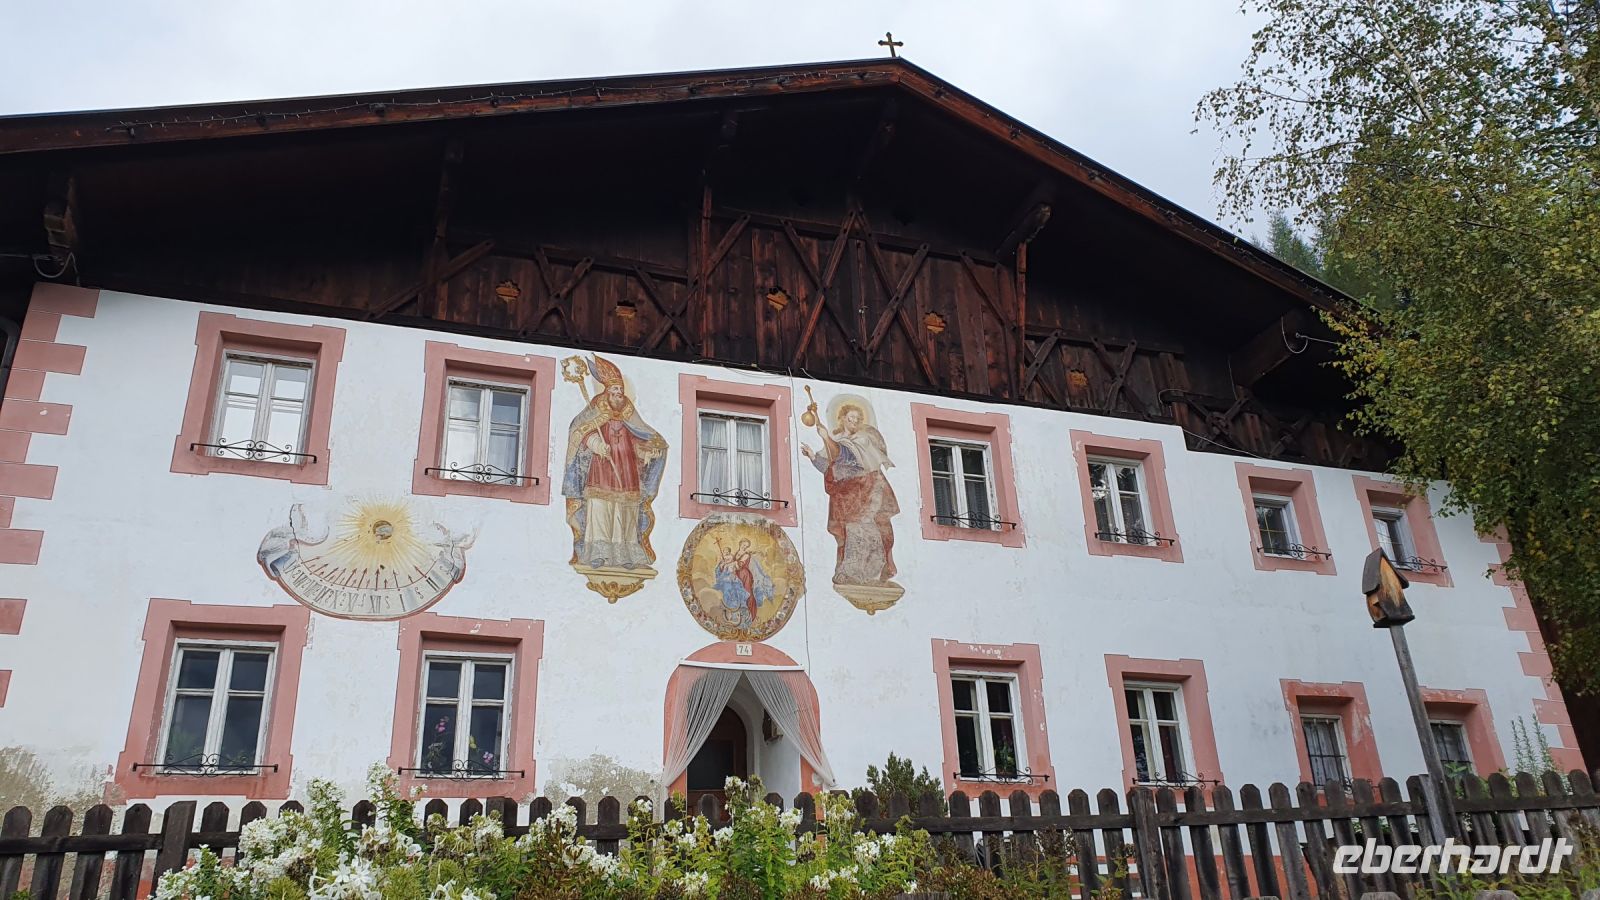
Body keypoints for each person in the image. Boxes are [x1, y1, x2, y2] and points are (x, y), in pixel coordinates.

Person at [561, 357, 667, 569]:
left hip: (627, 472)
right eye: (615, 390)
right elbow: (580, 432)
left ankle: (625, 553)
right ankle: (599, 553)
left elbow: (639, 441)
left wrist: (649, 452)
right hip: (602, 469)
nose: (619, 394)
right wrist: (597, 444)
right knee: (600, 508)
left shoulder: (630, 418)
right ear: (607, 393)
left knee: (625, 511)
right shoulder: (596, 412)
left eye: (621, 391)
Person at [801, 403, 899, 584]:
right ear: (841, 419)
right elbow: (831, 469)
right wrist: (813, 456)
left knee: (862, 530)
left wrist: (826, 437)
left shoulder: (862, 439)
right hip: (845, 496)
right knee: (847, 534)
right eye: (851, 418)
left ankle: (868, 572)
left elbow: (845, 456)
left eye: (857, 419)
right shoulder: (839, 440)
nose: (854, 421)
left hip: (865, 489)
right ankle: (849, 572)